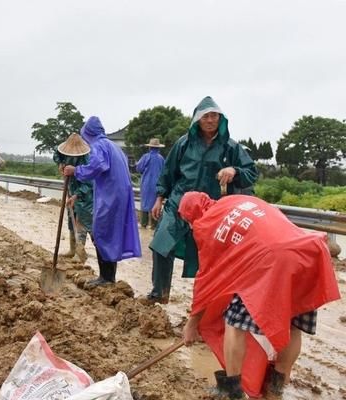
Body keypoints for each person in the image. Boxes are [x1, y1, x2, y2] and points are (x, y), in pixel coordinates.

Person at [179, 192, 340, 399]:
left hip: (273, 260)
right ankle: (276, 385)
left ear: (191, 217)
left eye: (188, 222)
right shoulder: (236, 200)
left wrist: (192, 324)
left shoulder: (206, 224)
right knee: (294, 321)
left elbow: (207, 278)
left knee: (234, 321)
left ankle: (232, 389)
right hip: (310, 251)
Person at [146, 96, 258, 304]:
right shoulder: (183, 144)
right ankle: (159, 292)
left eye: (214, 116)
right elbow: (169, 172)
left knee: (210, 258)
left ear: (220, 119)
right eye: (205, 116)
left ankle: (206, 303)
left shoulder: (231, 148)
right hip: (179, 203)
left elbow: (251, 172)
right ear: (197, 119)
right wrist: (160, 197)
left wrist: (234, 170)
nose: (210, 120)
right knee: (161, 243)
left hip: (211, 209)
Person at [63, 116, 142, 288]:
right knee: (110, 235)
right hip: (120, 194)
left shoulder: (99, 146)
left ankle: (105, 277)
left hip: (110, 195)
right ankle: (109, 276)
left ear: (88, 134)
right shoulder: (114, 146)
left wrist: (75, 170)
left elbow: (97, 166)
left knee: (100, 233)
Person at [54, 133, 93, 262]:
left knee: (80, 221)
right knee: (71, 218)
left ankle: (80, 253)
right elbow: (56, 154)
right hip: (71, 188)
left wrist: (77, 195)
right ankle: (72, 249)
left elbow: (89, 182)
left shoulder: (86, 159)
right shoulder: (63, 153)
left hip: (84, 195)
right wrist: (60, 163)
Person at [136, 138, 165, 229]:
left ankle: (143, 224)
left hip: (146, 184)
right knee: (155, 204)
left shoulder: (146, 157)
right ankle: (154, 225)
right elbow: (165, 172)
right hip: (157, 185)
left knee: (144, 204)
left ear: (150, 148)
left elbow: (139, 168)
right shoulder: (161, 159)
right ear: (158, 148)